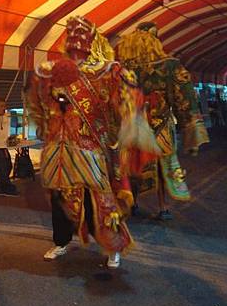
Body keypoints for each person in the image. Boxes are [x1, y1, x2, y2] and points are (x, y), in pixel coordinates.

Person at [25, 16, 150, 269]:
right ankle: (61, 241)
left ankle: (113, 246)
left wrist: (128, 125)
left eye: (81, 37)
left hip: (90, 146)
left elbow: (126, 103)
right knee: (59, 199)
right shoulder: (50, 70)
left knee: (100, 199)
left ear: (91, 41)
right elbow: (37, 103)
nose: (76, 43)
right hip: (58, 147)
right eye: (72, 36)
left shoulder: (106, 71)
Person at [117, 22, 209, 220]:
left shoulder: (123, 68)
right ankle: (162, 206)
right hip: (161, 126)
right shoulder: (169, 65)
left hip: (132, 125)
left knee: (134, 164)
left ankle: (132, 202)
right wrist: (191, 131)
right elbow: (184, 98)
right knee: (162, 167)